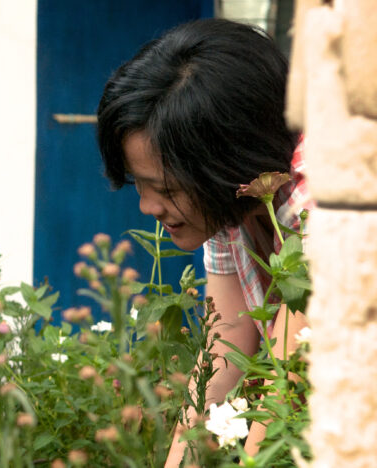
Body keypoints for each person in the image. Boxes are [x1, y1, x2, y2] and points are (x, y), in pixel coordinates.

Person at [95, 18, 312, 466]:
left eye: (167, 189)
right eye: (140, 184)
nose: (148, 207)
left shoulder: (327, 202)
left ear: (228, 163)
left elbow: (285, 393)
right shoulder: (230, 202)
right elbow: (224, 347)